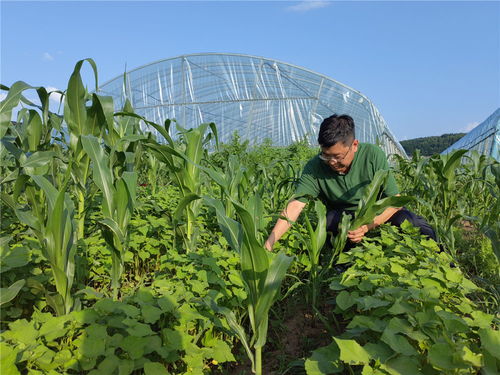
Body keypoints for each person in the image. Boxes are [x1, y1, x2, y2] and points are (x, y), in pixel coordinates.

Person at [264, 114, 436, 252]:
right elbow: (295, 205)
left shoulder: (372, 155)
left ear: (354, 145)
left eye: (337, 156)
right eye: (326, 155)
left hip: (379, 212)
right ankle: (344, 262)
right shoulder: (314, 166)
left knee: (411, 223)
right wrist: (269, 244)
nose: (331, 162)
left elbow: (395, 201)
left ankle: (440, 260)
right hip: (345, 217)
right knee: (331, 221)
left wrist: (367, 226)